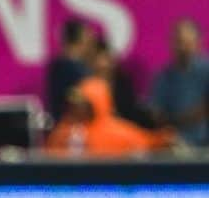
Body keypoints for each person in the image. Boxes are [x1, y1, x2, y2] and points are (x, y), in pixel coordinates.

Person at [45, 76, 175, 157]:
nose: (76, 107)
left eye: (83, 103)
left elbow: (149, 142)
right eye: (76, 102)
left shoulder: (117, 131)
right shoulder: (64, 130)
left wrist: (163, 140)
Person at [150, 19, 209, 147]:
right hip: (174, 144)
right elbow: (156, 113)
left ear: (198, 42)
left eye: (188, 42)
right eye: (179, 42)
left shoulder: (206, 70)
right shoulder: (162, 76)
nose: (183, 47)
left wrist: (175, 120)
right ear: (172, 43)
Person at [44, 17, 94, 123]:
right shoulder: (72, 70)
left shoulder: (59, 66)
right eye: (88, 37)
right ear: (82, 40)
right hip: (74, 130)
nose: (91, 41)